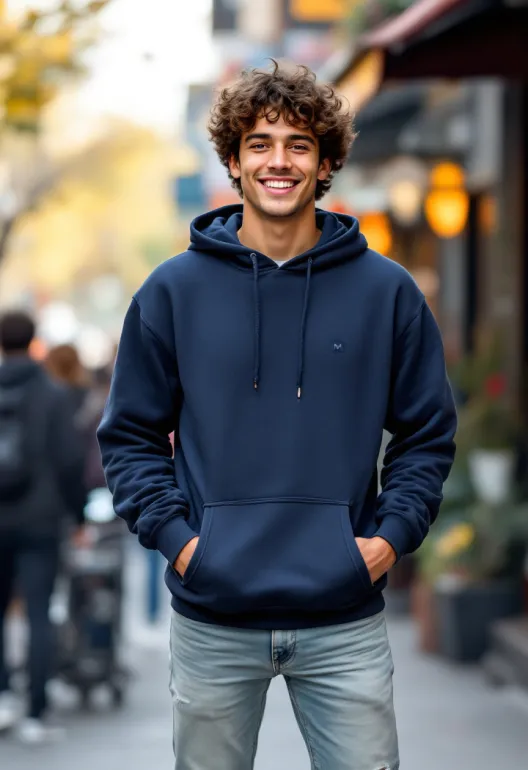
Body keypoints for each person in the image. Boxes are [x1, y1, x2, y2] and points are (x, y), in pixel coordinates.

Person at [98, 61, 457, 770]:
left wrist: (386, 540)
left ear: (326, 163)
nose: (279, 161)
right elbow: (131, 436)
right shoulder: (173, 291)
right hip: (214, 618)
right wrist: (183, 543)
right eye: (260, 144)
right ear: (233, 161)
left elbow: (426, 434)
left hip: (343, 617)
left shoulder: (387, 291)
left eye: (299, 144)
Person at [0, 311, 86, 743]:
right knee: (38, 613)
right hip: (39, 519)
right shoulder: (50, 394)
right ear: (33, 341)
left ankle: (1, 698)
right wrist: (80, 515)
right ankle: (35, 710)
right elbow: (70, 462)